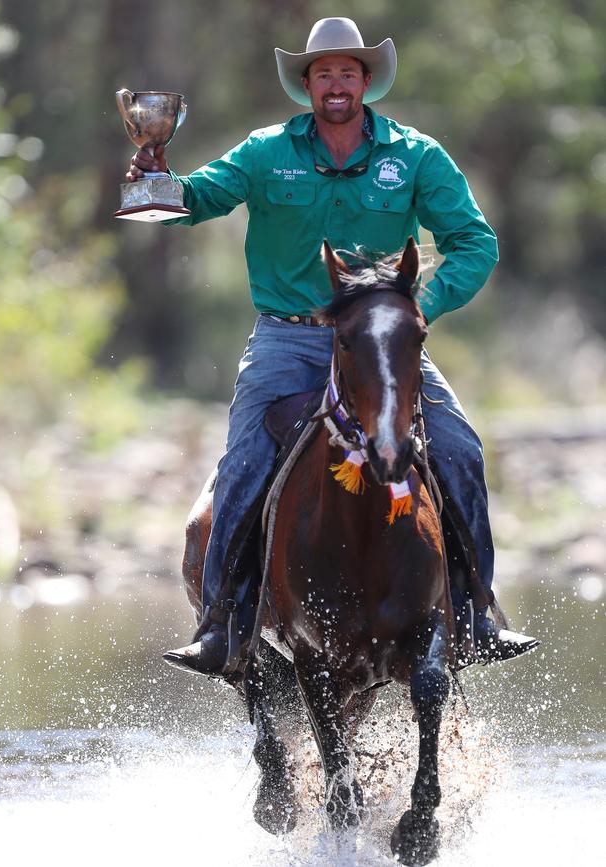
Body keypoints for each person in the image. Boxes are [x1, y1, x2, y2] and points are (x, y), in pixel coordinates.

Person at [126, 17, 539, 675]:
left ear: (366, 80)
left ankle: (474, 613)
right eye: (324, 73)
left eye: (349, 71)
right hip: (288, 341)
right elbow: (198, 199)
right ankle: (222, 625)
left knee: (460, 450)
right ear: (307, 84)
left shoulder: (415, 155)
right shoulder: (266, 151)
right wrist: (153, 175)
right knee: (243, 463)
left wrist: (411, 312)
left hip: (382, 343)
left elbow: (475, 242)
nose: (337, 83)